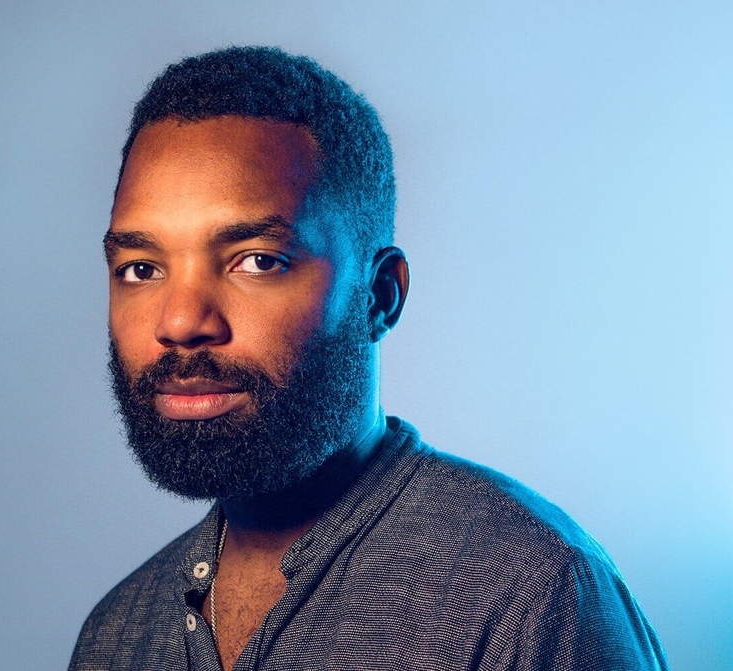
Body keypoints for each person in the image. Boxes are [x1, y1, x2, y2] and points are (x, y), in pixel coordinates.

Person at [69, 46, 668, 671]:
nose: (179, 322)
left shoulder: (529, 591)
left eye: (258, 261)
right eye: (141, 269)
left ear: (380, 295)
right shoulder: (116, 635)